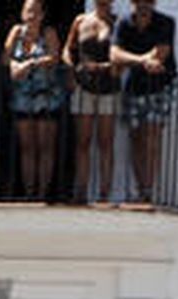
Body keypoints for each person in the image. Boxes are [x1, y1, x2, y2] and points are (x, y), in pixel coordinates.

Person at [112, 0, 176, 203]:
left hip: (159, 87)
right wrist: (143, 60)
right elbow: (114, 54)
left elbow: (161, 53)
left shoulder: (166, 22)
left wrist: (130, 59)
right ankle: (140, 190)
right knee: (136, 139)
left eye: (148, 0)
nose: (144, 4)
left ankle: (148, 191)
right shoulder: (123, 23)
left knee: (152, 138)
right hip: (135, 88)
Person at [5, 0, 65, 201]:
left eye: (36, 11)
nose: (32, 15)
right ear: (22, 13)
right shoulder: (16, 32)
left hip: (45, 95)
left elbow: (55, 57)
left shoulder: (48, 33)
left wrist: (29, 63)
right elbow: (6, 57)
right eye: (29, 11)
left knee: (45, 145)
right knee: (27, 147)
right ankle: (30, 192)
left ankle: (43, 192)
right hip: (22, 97)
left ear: (42, 15)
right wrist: (13, 65)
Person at [64, 0, 120, 203]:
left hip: (109, 87)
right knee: (83, 141)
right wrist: (72, 70)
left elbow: (121, 52)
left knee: (106, 142)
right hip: (84, 85)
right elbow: (68, 50)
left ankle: (104, 194)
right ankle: (81, 191)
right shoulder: (81, 21)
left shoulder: (117, 22)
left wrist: (109, 66)